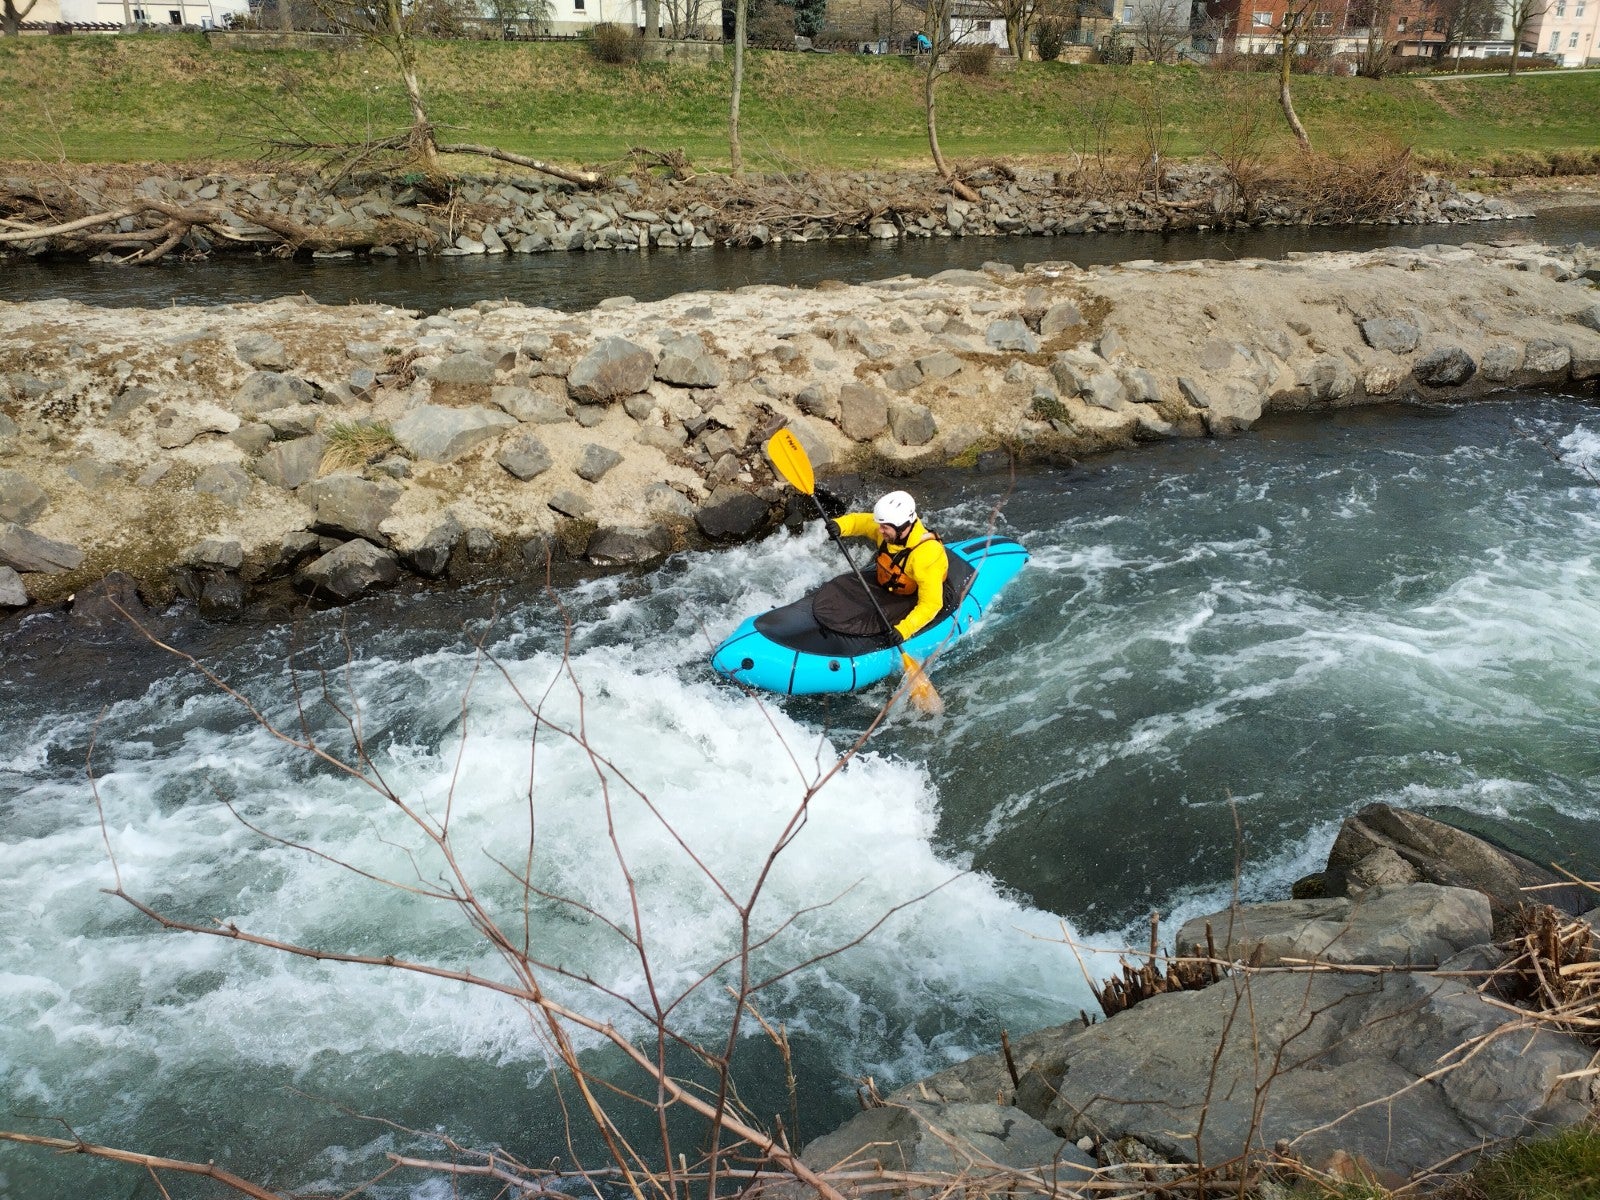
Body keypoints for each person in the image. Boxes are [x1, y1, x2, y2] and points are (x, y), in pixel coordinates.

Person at [824, 491, 950, 645]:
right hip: (890, 582)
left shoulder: (926, 555)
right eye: (880, 526)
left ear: (903, 527)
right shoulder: (889, 530)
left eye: (884, 528)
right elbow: (861, 522)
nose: (879, 530)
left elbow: (931, 604)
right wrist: (840, 525)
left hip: (912, 595)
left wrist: (904, 630)